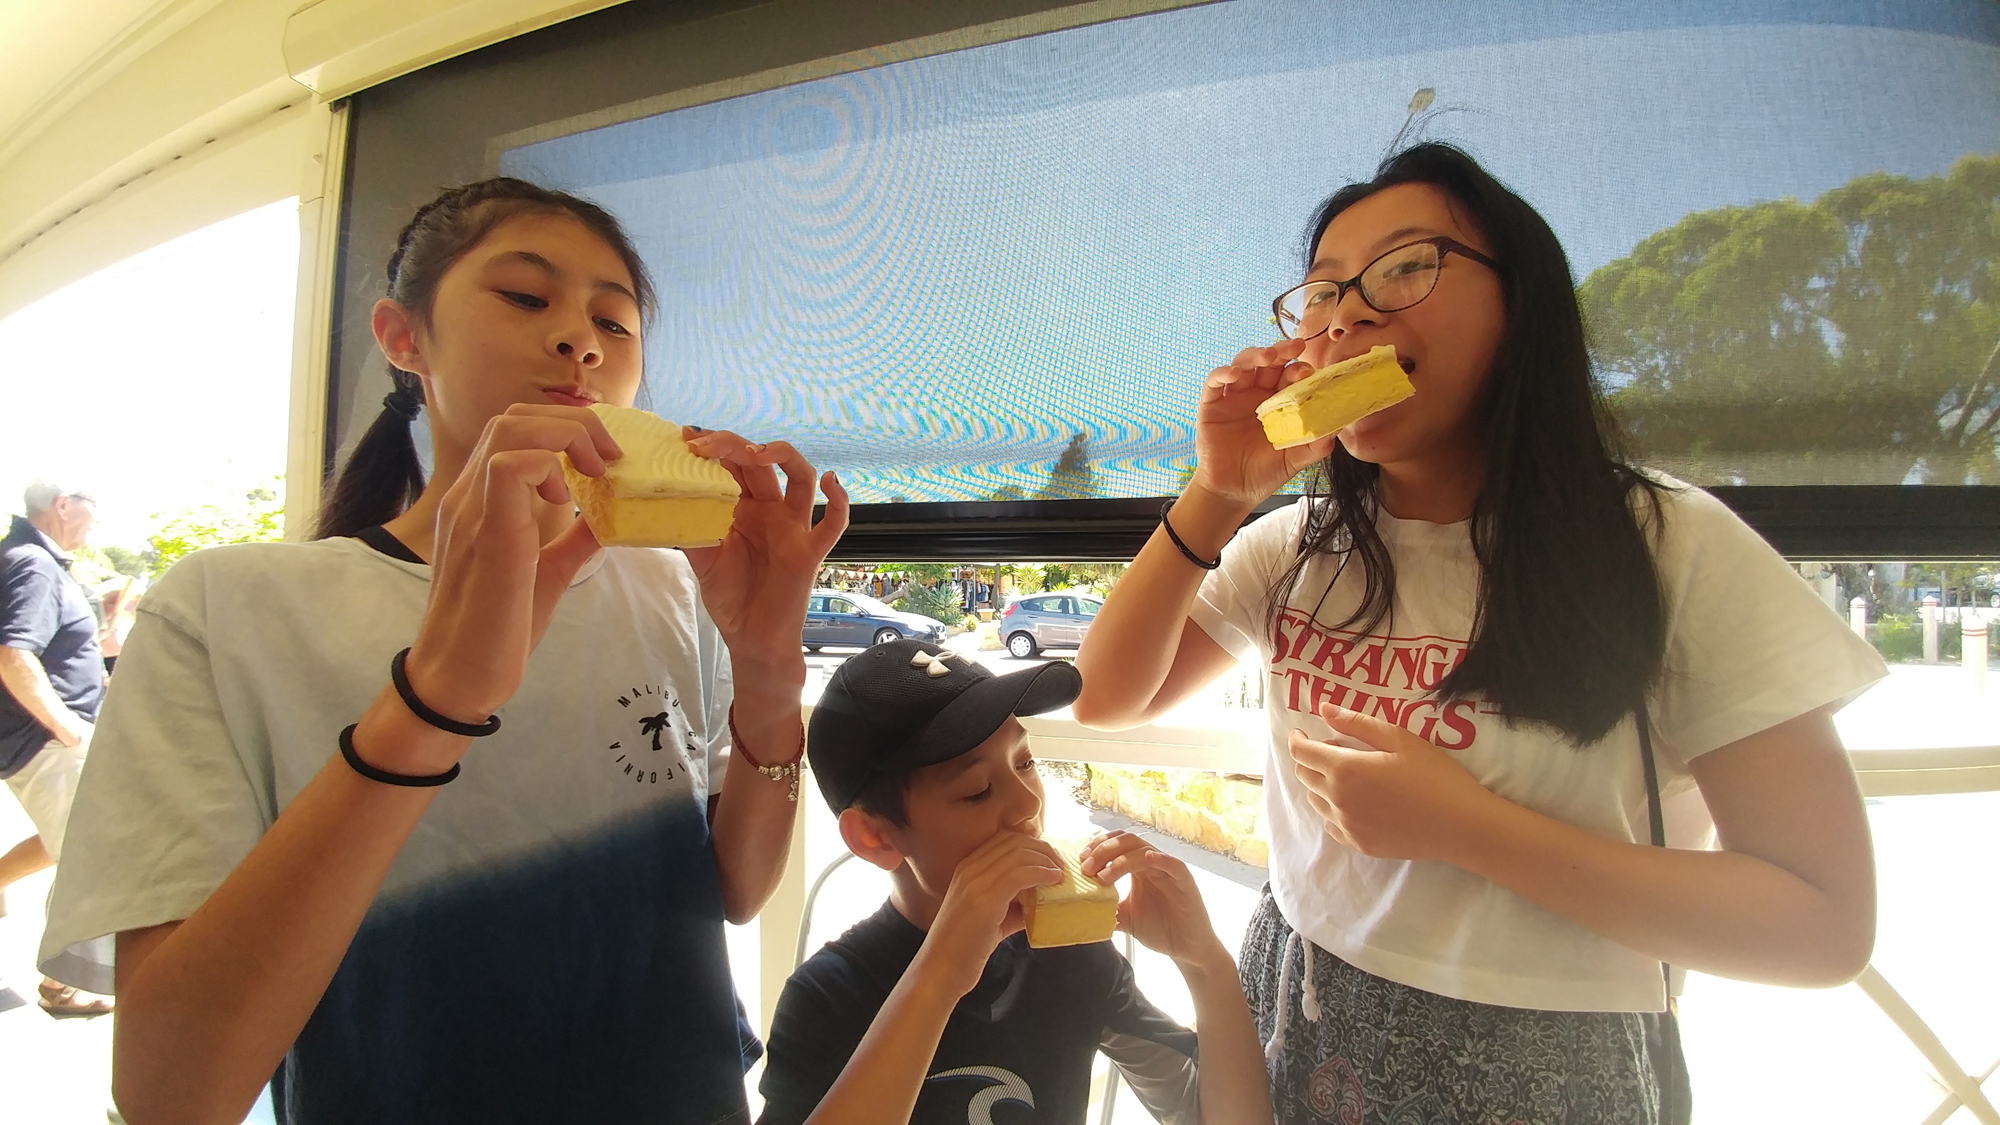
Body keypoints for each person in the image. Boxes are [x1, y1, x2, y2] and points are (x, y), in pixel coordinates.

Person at [1072, 144, 1887, 1124]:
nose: (1348, 315)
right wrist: (1218, 491)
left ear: (1520, 311)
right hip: (1294, 996)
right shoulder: (1290, 547)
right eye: (1323, 292)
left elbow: (1821, 926)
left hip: (1548, 1057)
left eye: (1406, 266)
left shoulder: (1669, 548)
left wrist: (1467, 830)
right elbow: (1104, 697)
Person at [38, 177, 848, 1124]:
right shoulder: (228, 611)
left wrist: (767, 667)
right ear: (402, 336)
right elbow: (172, 1093)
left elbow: (734, 891)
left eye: (614, 323)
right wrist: (435, 698)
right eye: (525, 295)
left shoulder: (667, 583)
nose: (580, 340)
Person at [757, 639, 1269, 1125]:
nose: (1029, 805)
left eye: (1025, 762)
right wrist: (940, 976)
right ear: (874, 837)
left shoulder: (1070, 956)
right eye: (978, 791)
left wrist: (1204, 962)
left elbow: (1212, 1113)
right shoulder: (829, 997)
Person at [1, 479, 115, 1019]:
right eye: (93, 507)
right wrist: (67, 728)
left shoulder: (32, 560)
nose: (98, 521)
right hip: (44, 740)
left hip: (39, 738)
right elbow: (13, 656)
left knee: (65, 840)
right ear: (63, 504)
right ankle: (64, 985)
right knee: (88, 856)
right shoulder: (34, 564)